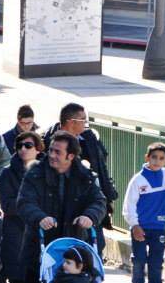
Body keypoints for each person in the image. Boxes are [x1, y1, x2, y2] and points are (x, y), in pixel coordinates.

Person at [16, 131, 106, 283]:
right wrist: (39, 217)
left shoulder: (85, 176)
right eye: (51, 150)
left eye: (58, 152)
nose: (52, 155)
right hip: (39, 242)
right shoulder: (36, 173)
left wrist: (89, 216)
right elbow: (24, 202)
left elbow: (99, 201)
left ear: (72, 156)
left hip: (72, 243)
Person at [44, 103, 119, 251]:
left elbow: (101, 170)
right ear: (72, 122)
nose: (86, 124)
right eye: (83, 120)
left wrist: (108, 194)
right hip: (58, 213)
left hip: (87, 208)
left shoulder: (90, 140)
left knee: (94, 247)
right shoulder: (49, 143)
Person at [0, 131, 43, 283]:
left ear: (38, 149)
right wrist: (30, 205)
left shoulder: (45, 171)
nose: (23, 149)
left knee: (36, 279)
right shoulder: (8, 172)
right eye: (20, 146)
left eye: (28, 145)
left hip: (39, 230)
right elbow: (7, 204)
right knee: (18, 275)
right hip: (15, 229)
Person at [123, 141, 165, 283]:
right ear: (147, 158)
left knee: (156, 262)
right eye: (154, 157)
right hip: (140, 227)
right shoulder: (138, 180)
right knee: (139, 259)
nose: (157, 161)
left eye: (161, 158)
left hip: (158, 228)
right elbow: (129, 205)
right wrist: (134, 225)